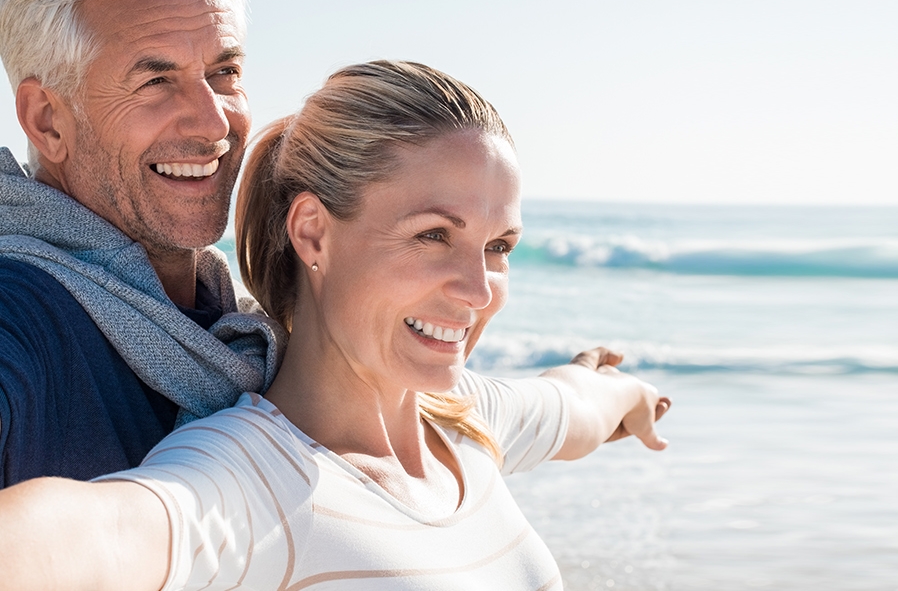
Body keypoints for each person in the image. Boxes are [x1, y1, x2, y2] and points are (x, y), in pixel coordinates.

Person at [0, 59, 670, 589]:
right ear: (313, 234)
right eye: (433, 235)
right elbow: (90, 535)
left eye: (498, 247)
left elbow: (573, 405)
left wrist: (623, 394)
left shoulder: (463, 421)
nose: (477, 291)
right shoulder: (255, 482)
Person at [0, 0, 627, 485]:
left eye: (225, 71)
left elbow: (529, 412)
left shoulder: (253, 346)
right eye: (156, 79)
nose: (213, 120)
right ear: (48, 119)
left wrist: (605, 394)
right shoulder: (20, 325)